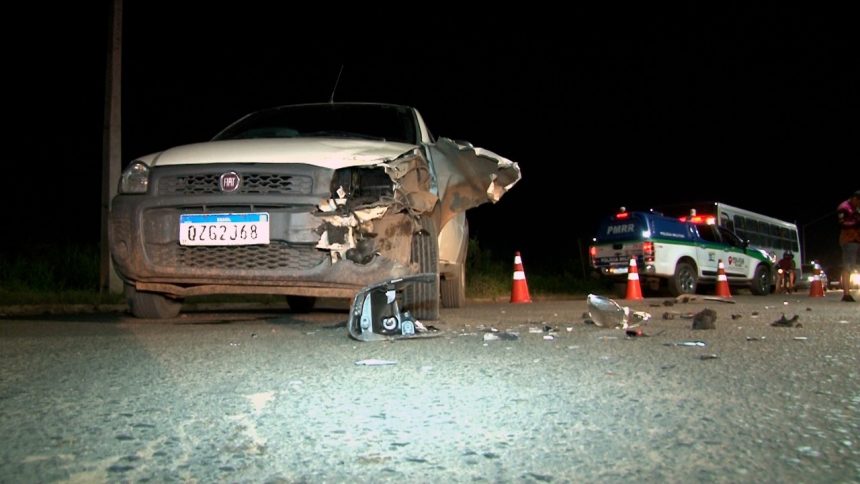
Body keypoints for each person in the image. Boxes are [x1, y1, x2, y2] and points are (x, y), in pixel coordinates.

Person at [837, 190, 860, 302]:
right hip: (848, 239)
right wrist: (855, 223)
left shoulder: (857, 208)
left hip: (857, 238)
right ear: (855, 198)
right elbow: (842, 223)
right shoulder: (844, 207)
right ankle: (846, 293)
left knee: (852, 265)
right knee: (848, 265)